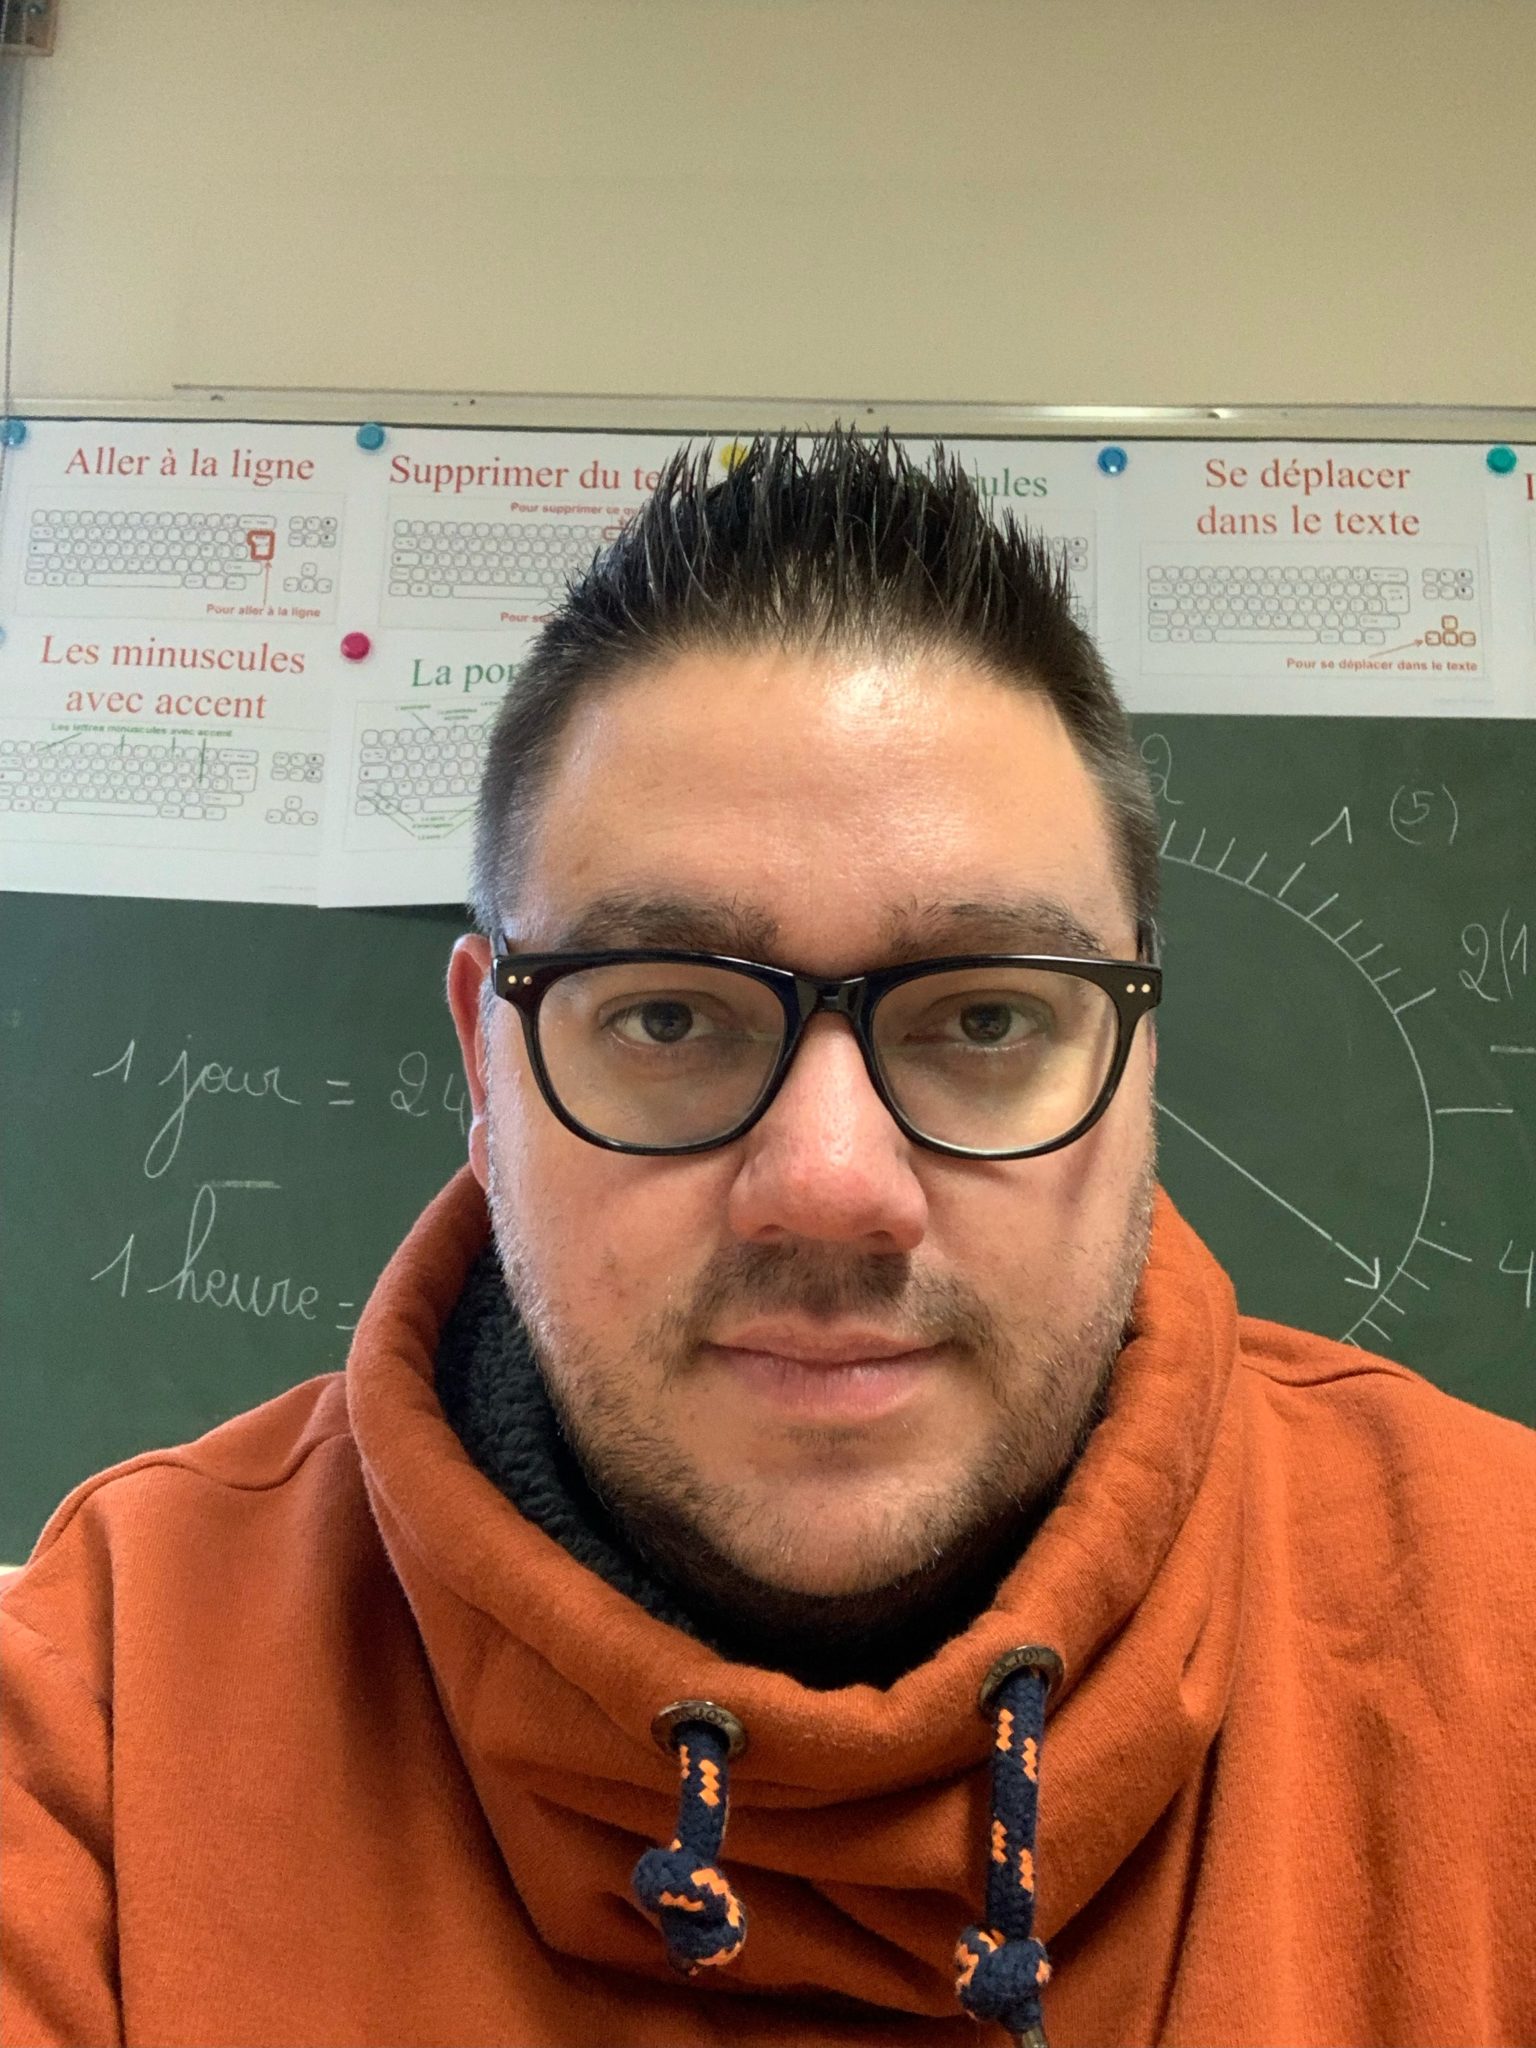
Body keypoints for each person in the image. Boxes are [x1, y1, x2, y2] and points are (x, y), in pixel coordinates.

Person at [3, 433, 1532, 2048]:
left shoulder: (1498, 1620)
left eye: (986, 1017)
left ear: (1137, 1055)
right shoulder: (100, 1715)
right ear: (485, 1067)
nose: (832, 1183)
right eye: (668, 1016)